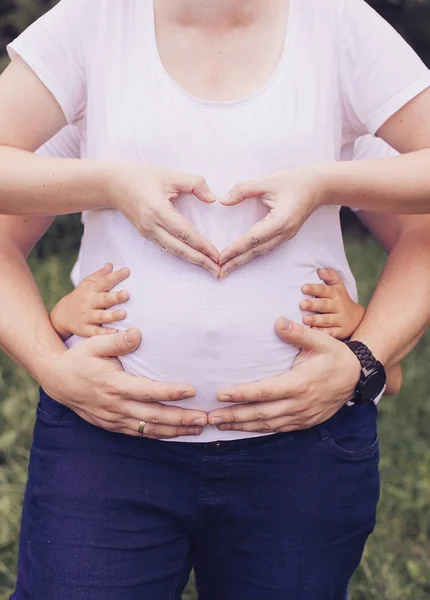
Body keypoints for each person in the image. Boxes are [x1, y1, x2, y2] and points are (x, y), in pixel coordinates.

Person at [1, 0, 430, 597]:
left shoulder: (336, 23)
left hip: (302, 449)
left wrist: (366, 359)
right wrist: (50, 364)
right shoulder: (95, 22)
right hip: (107, 446)